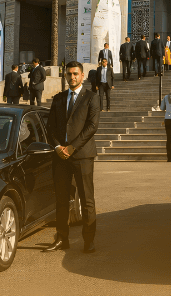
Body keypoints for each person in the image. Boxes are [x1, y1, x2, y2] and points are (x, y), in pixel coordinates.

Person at [44, 61, 99, 253]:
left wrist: (72, 148)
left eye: (75, 74)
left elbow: (92, 127)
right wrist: (59, 146)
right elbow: (50, 127)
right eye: (69, 74)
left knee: (87, 199)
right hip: (61, 157)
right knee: (61, 199)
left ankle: (88, 240)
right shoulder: (58, 99)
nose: (72, 77)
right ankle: (62, 239)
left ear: (82, 76)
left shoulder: (91, 97)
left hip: (82, 156)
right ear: (65, 76)